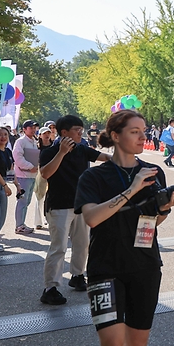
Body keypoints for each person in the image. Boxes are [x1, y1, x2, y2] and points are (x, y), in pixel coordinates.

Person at [75, 109, 174, 346]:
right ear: (115, 136)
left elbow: (153, 222)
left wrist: (164, 209)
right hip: (105, 267)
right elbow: (92, 218)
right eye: (134, 132)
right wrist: (132, 190)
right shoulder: (93, 176)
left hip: (144, 266)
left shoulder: (154, 172)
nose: (141, 137)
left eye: (143, 132)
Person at [39, 115, 112, 305]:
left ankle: (77, 275)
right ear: (64, 132)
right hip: (59, 205)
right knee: (59, 247)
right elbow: (45, 173)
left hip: (81, 204)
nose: (81, 133)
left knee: (82, 243)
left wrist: (124, 158)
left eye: (81, 129)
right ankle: (51, 287)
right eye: (77, 130)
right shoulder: (50, 151)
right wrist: (61, 153)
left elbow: (103, 157)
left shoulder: (81, 149)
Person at [12, 119, 40, 235]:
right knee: (22, 200)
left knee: (27, 201)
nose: (33, 130)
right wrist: (30, 166)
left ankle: (22, 223)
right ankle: (19, 225)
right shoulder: (21, 141)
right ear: (24, 129)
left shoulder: (34, 141)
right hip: (23, 175)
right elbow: (17, 157)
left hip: (32, 175)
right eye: (31, 127)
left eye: (34, 128)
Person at [33, 126, 53, 230]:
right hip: (40, 174)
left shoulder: (54, 146)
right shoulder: (36, 147)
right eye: (44, 133)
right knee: (39, 197)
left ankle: (49, 219)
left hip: (53, 173)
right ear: (40, 135)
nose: (47, 135)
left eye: (48, 133)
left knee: (51, 197)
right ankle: (38, 221)